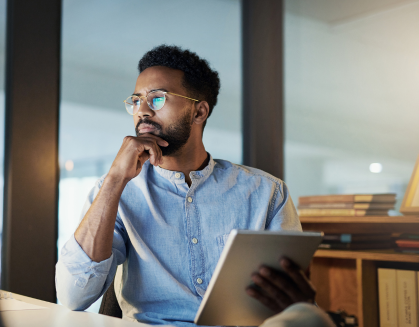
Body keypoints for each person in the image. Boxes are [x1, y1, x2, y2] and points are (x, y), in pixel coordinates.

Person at [56, 45, 333, 327]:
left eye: (157, 98)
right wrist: (115, 179)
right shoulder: (118, 189)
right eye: (136, 100)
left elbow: (292, 305)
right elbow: (73, 296)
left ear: (199, 112)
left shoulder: (266, 192)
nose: (142, 111)